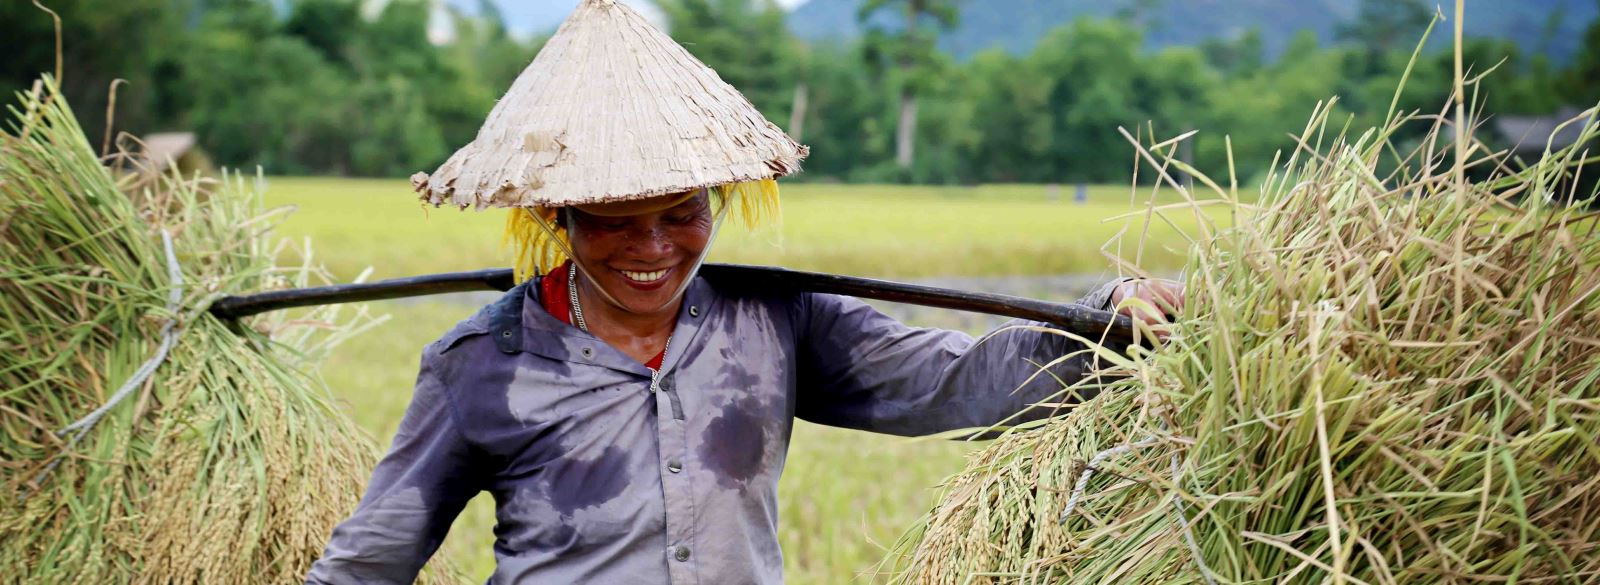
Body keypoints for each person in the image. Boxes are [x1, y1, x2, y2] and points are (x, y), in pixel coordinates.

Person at [305, 1, 1182, 583]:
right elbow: (373, 556)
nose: (651, 249)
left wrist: (1107, 320)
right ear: (554, 216)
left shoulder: (777, 322)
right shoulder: (479, 367)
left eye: (681, 213)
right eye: (612, 221)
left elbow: (953, 378)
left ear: (716, 200)